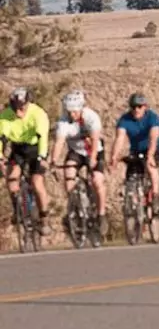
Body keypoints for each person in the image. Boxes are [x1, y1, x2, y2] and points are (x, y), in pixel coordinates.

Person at [51, 90, 108, 234]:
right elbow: (59, 142)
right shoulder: (63, 121)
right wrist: (53, 161)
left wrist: (93, 158)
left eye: (74, 111)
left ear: (81, 108)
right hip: (76, 152)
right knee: (68, 174)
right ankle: (75, 206)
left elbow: (95, 140)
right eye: (68, 111)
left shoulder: (91, 117)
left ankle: (101, 214)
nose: (71, 115)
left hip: (93, 150)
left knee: (97, 180)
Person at [0, 87, 53, 236]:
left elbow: (43, 137)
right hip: (18, 149)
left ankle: (44, 217)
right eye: (15, 107)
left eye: (22, 107)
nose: (18, 111)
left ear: (28, 103)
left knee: (37, 182)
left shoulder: (38, 114)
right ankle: (18, 209)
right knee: (11, 179)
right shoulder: (5, 116)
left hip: (36, 148)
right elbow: (1, 139)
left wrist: (42, 157)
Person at [108, 92, 159, 219]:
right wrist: (114, 157)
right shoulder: (125, 119)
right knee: (131, 177)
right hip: (136, 151)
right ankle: (134, 204)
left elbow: (153, 137)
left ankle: (155, 195)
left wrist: (150, 155)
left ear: (145, 107)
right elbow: (119, 138)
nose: (136, 109)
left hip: (153, 148)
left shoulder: (152, 117)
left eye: (139, 106)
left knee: (150, 167)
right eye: (133, 107)